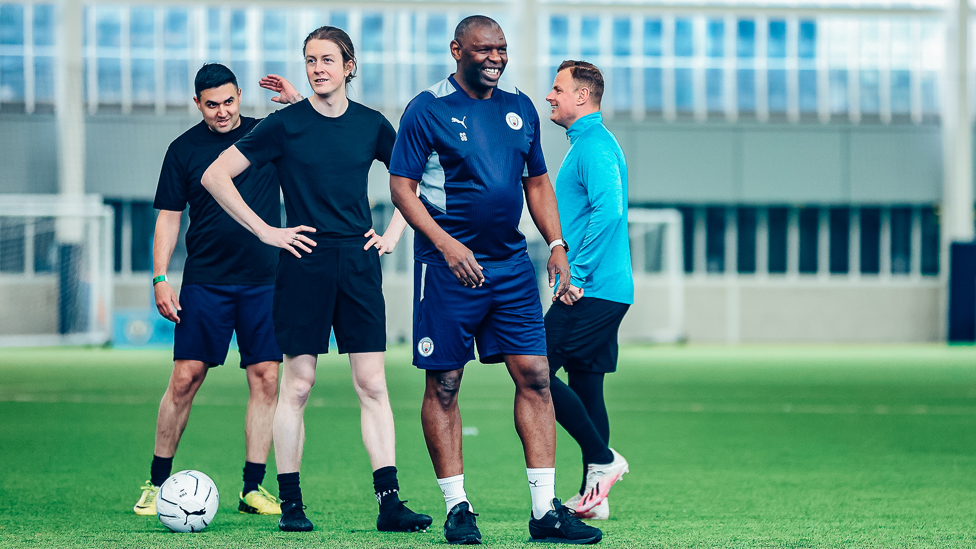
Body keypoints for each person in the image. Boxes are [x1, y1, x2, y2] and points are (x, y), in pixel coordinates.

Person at [201, 26, 431, 534]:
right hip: (303, 261)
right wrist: (266, 231)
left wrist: (395, 230)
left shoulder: (372, 125)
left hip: (358, 262)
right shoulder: (285, 125)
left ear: (350, 66)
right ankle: (291, 505)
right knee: (298, 386)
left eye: (328, 59)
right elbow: (215, 175)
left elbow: (417, 178)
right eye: (310, 59)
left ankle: (390, 504)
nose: (317, 67)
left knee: (373, 385)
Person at [389, 15, 603, 545]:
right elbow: (401, 188)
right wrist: (446, 244)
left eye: (502, 49)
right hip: (446, 269)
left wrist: (555, 245)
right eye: (484, 50)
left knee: (535, 375)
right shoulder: (427, 108)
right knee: (444, 383)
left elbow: (536, 182)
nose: (496, 58)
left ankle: (544, 511)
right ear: (457, 50)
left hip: (509, 266)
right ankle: (458, 507)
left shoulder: (519, 108)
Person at [133, 63, 282, 518]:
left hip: (265, 280)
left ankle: (252, 488)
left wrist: (295, 97)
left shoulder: (267, 133)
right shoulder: (183, 150)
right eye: (212, 104)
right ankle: (156, 484)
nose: (221, 112)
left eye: (229, 101)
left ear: (240, 95)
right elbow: (169, 217)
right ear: (197, 103)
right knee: (185, 378)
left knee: (266, 379)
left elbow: (318, 126)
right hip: (205, 281)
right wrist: (160, 277)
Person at [543, 60, 632, 520]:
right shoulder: (587, 143)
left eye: (557, 89)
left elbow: (610, 211)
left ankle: (603, 458)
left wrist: (575, 272)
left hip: (591, 290)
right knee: (587, 384)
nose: (549, 96)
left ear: (582, 96)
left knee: (533, 371)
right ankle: (594, 500)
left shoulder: (593, 144)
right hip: (607, 289)